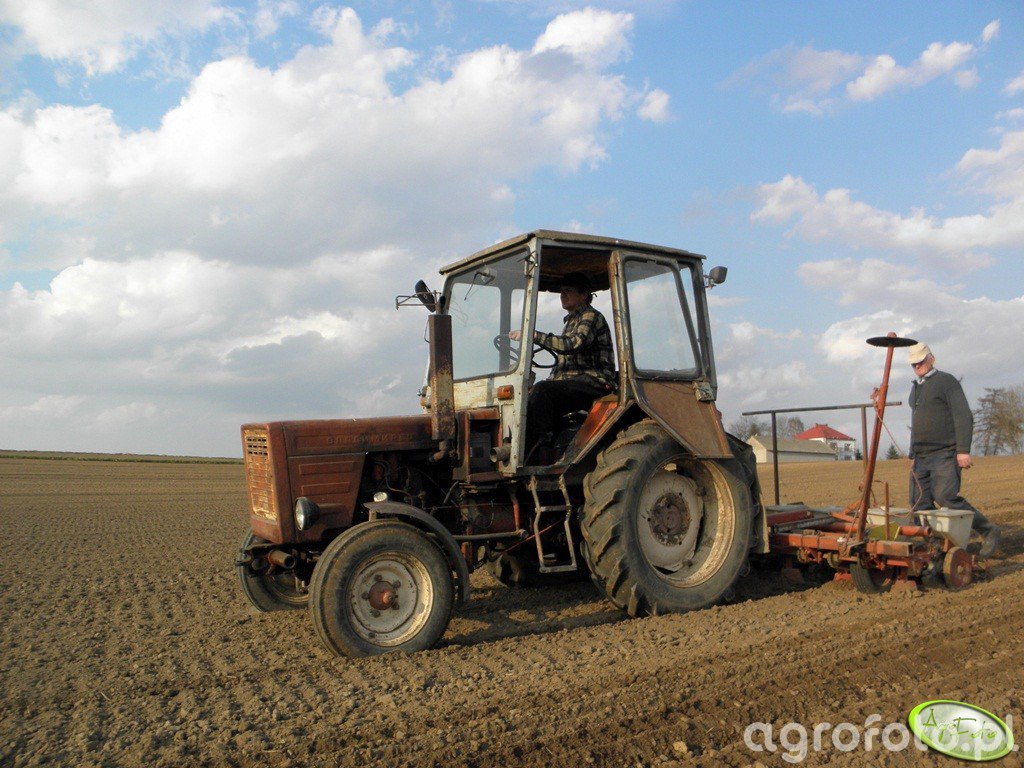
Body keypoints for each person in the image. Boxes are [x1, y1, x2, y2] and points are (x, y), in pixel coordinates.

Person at [509, 272, 616, 463]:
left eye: (568, 291)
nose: (562, 295)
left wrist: (534, 335)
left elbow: (572, 344)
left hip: (595, 381)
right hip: (576, 381)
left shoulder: (591, 316)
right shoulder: (571, 321)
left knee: (543, 391)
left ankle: (526, 457)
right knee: (526, 395)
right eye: (561, 291)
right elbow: (563, 367)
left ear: (583, 294)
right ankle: (538, 448)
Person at [907, 342, 1000, 557]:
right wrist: (913, 453)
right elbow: (917, 422)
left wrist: (963, 450)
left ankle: (988, 530)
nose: (917, 366)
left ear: (931, 359)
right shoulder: (916, 387)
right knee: (919, 503)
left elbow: (963, 415)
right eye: (913, 363)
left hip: (944, 453)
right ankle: (934, 547)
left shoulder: (946, 381)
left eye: (920, 361)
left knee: (946, 497)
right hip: (921, 456)